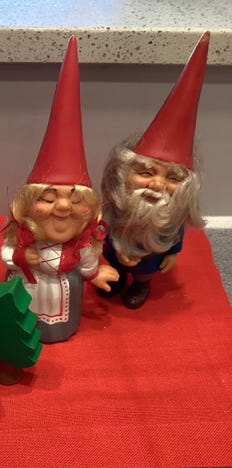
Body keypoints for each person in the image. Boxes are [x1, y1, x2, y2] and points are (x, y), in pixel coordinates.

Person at [0, 36, 118, 343]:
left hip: (64, 291)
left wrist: (95, 274)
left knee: (58, 317)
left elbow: (88, 261)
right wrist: (22, 257)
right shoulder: (24, 238)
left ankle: (58, 328)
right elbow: (6, 253)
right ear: (27, 206)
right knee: (24, 316)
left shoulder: (79, 246)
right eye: (49, 198)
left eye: (75, 200)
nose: (63, 207)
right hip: (28, 285)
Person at [100, 32, 209, 309]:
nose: (158, 185)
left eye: (172, 178)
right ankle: (117, 279)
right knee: (114, 266)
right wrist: (115, 250)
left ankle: (141, 284)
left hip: (150, 258)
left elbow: (176, 232)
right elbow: (106, 225)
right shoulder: (117, 204)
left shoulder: (172, 211)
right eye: (147, 173)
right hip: (116, 249)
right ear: (123, 172)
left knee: (144, 272)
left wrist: (172, 253)